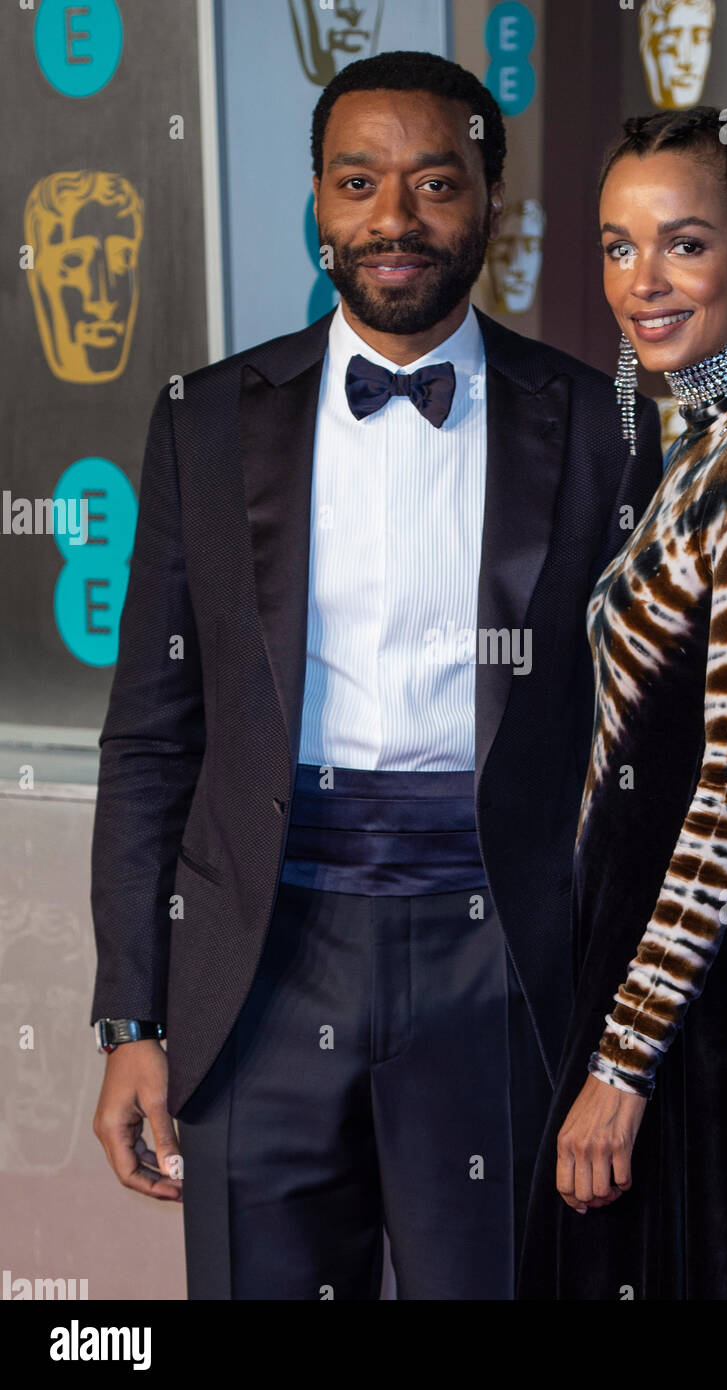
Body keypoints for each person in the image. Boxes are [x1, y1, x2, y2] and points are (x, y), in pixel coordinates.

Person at [88, 51, 662, 1300]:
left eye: (434, 183)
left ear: (491, 206)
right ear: (316, 203)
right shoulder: (202, 418)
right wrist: (131, 1017)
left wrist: (623, 1044)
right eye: (358, 182)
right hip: (259, 966)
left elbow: (646, 756)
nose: (393, 219)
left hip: (497, 963)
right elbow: (149, 739)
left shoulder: (604, 427)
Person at [517, 106, 727, 1300]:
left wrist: (622, 1059)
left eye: (683, 244)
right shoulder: (700, 448)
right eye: (616, 246)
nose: (640, 282)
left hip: (685, 1008)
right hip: (653, 975)